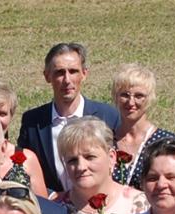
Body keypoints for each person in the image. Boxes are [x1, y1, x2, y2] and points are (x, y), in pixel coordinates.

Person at [16, 43, 121, 195]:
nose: (67, 80)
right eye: (59, 72)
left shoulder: (108, 116)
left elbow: (118, 167)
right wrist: (51, 196)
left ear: (84, 74)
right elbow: (24, 170)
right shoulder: (32, 122)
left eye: (73, 71)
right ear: (47, 76)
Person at [54, 116, 147, 214]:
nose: (81, 167)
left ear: (111, 157)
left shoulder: (141, 206)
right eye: (72, 160)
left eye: (90, 157)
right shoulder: (54, 211)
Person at [108, 64, 175, 189]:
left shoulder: (166, 142)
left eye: (139, 96)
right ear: (115, 97)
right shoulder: (105, 141)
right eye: (124, 95)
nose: (131, 102)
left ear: (150, 98)